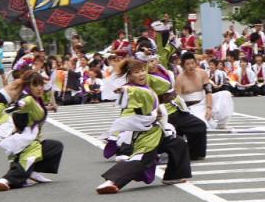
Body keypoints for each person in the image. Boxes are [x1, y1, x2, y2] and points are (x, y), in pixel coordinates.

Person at [96, 59, 191, 193]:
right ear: (129, 75)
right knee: (142, 159)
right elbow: (132, 92)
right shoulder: (135, 89)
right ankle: (111, 182)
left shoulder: (147, 85)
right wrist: (124, 90)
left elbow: (164, 89)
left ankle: (175, 175)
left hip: (157, 129)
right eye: (136, 72)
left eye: (142, 70)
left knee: (178, 143)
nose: (141, 74)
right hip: (147, 134)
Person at [0, 71, 63, 192]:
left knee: (55, 147)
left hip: (34, 141)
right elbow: (25, 103)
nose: (39, 88)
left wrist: (49, 107)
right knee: (25, 163)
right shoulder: (28, 99)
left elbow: (35, 109)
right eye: (35, 85)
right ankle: (4, 181)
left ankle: (33, 171)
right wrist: (20, 105)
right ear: (29, 86)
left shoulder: (37, 99)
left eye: (40, 85)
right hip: (27, 143)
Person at [176, 52, 233, 129]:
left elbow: (208, 91)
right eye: (187, 64)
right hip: (191, 107)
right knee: (203, 125)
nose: (191, 66)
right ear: (183, 66)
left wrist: (209, 108)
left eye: (192, 63)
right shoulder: (179, 79)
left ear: (196, 63)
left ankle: (222, 124)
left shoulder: (202, 73)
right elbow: (178, 100)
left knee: (226, 94)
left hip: (205, 101)